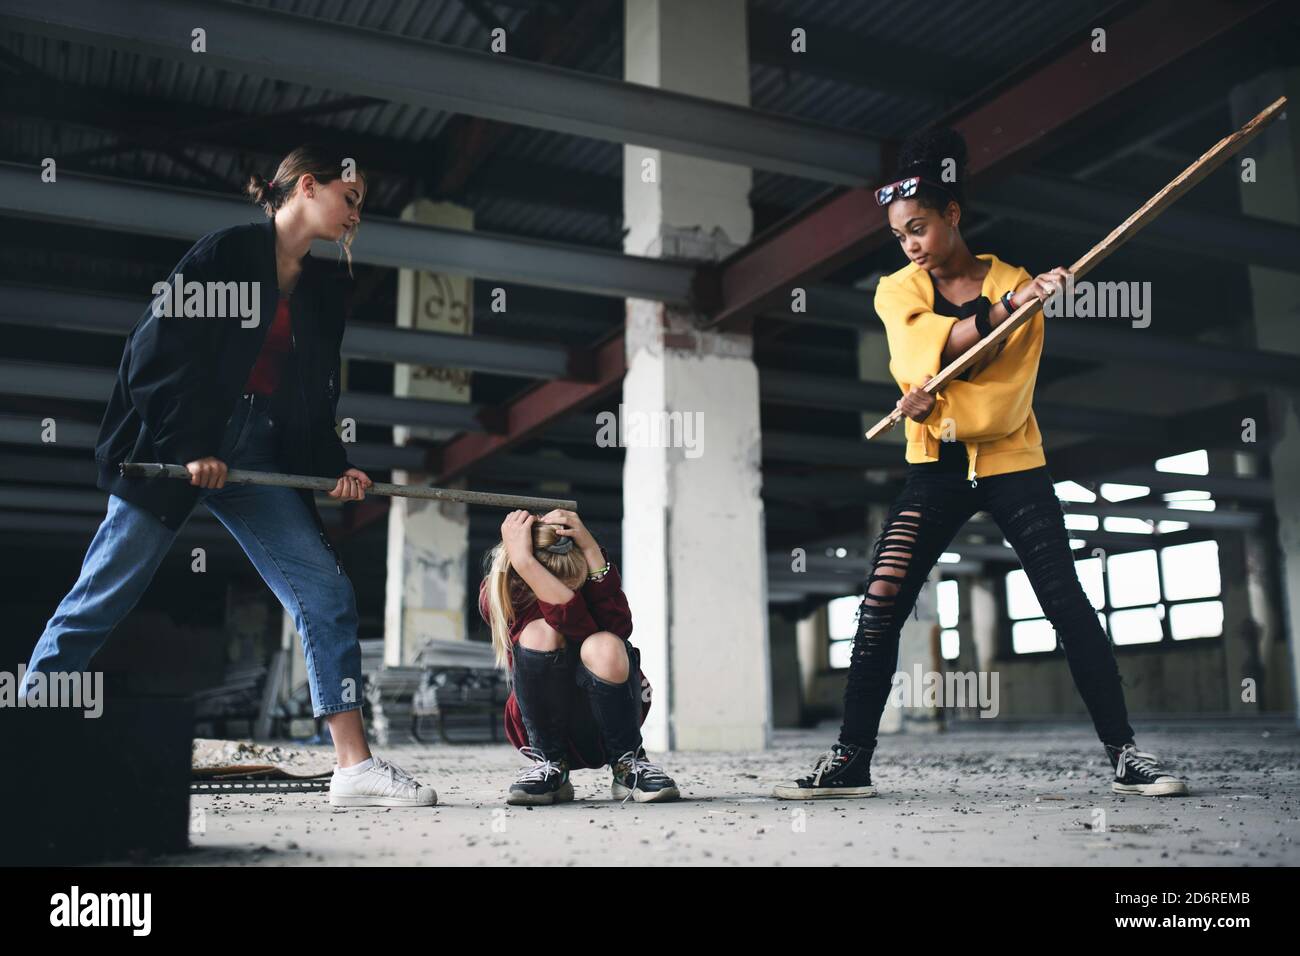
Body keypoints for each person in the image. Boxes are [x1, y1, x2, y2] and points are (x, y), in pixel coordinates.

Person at [774, 128, 1189, 801]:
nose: (909, 244)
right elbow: (920, 361)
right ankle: (850, 759)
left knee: (1065, 602)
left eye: (919, 227)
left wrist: (1008, 312)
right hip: (934, 464)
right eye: (900, 234)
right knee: (879, 602)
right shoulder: (896, 291)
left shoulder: (1020, 285)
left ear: (953, 216)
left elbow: (997, 381)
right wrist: (986, 328)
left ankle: (1125, 755)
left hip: (1011, 460)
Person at [22, 144, 436, 809]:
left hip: (258, 454)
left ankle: (354, 769)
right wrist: (190, 446)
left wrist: (333, 471)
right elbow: (154, 351)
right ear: (309, 185)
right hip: (180, 442)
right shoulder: (225, 255)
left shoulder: (324, 291)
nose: (356, 215)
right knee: (102, 593)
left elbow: (313, 396)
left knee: (326, 590)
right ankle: (24, 733)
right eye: (351, 198)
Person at [479, 509, 680, 805]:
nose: (573, 591)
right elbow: (573, 623)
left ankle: (628, 764)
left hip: (607, 722)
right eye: (565, 588)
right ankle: (550, 767)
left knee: (606, 644)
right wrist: (523, 563)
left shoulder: (588, 573)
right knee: (539, 633)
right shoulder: (509, 592)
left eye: (578, 583)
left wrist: (590, 549)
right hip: (544, 726)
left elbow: (619, 630)